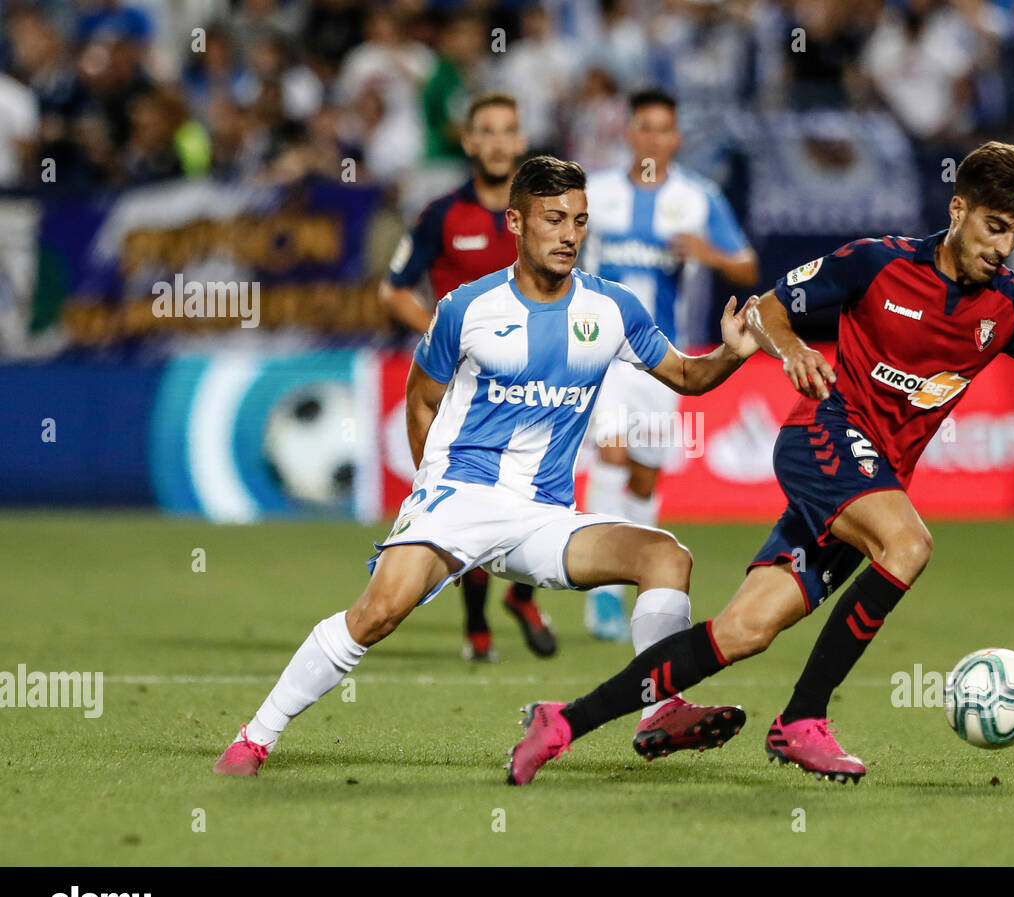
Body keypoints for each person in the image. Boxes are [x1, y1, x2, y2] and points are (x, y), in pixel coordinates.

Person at [506, 142, 1014, 786]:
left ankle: (562, 722)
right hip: (825, 437)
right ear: (958, 209)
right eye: (994, 227)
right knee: (909, 544)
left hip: (874, 481)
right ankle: (803, 720)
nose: (1004, 248)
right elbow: (768, 308)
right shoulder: (877, 264)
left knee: (744, 630)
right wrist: (791, 352)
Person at [215, 156, 761, 777]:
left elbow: (688, 376)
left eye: (579, 221)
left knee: (667, 556)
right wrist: (429, 494)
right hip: (459, 500)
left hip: (542, 517)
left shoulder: (613, 308)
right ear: (517, 222)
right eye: (553, 219)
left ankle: (659, 709)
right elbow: (421, 401)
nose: (568, 235)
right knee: (378, 613)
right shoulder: (466, 309)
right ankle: (256, 737)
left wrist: (733, 352)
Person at [380, 92, 555, 662]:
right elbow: (393, 289)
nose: (500, 141)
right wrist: (444, 329)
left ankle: (523, 597)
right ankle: (478, 626)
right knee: (470, 494)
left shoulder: (542, 212)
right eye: (488, 130)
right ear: (469, 142)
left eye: (510, 129)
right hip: (461, 383)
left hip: (535, 377)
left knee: (539, 489)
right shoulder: (440, 215)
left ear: (521, 140)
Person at [581, 88, 757, 641]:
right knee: (611, 455)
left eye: (664, 129)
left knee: (644, 471)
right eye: (645, 127)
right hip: (600, 351)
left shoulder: (698, 198)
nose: (654, 138)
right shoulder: (596, 191)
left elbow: (748, 267)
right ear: (629, 133)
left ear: (676, 138)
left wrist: (711, 255)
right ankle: (602, 597)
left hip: (663, 359)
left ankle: (638, 574)